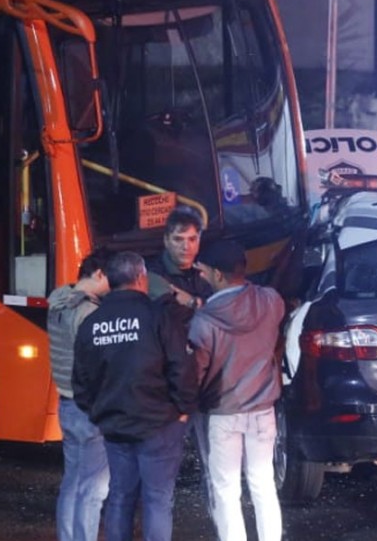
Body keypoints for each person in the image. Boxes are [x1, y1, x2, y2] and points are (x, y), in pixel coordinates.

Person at [72, 251, 198, 541]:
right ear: (141, 278)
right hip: (159, 424)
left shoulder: (92, 323)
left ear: (110, 280)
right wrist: (183, 409)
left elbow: (80, 380)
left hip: (115, 426)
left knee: (120, 497)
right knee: (156, 500)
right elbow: (182, 367)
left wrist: (99, 412)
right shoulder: (158, 316)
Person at [189, 240, 285, 541]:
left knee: (226, 489)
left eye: (203, 271)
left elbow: (197, 373)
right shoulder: (271, 301)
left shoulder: (203, 321)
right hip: (263, 411)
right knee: (263, 484)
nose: (201, 276)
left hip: (223, 412)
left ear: (218, 274)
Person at [48, 249, 111, 541]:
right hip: (88, 409)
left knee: (72, 483)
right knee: (94, 489)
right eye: (111, 279)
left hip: (66, 403)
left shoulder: (59, 300)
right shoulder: (88, 312)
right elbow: (97, 363)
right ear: (98, 273)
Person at [147, 206, 213, 313]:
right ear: (166, 240)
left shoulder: (208, 271)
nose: (186, 247)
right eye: (178, 239)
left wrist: (193, 302)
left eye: (192, 239)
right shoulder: (153, 275)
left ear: (199, 241)